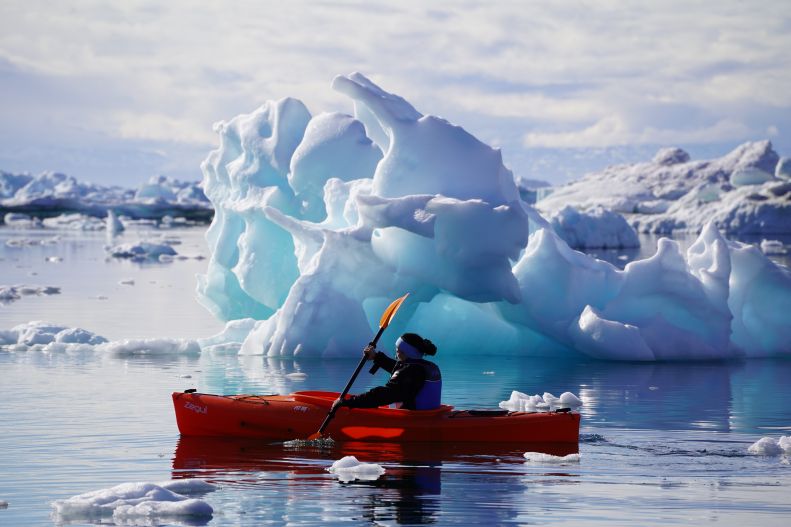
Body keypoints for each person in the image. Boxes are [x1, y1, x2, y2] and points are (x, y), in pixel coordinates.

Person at [333, 333, 442, 411]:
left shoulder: (410, 371)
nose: (396, 353)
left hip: (414, 418)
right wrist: (376, 356)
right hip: (430, 413)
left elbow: (383, 395)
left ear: (404, 352)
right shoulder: (422, 367)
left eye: (397, 350)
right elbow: (400, 370)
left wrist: (349, 402)